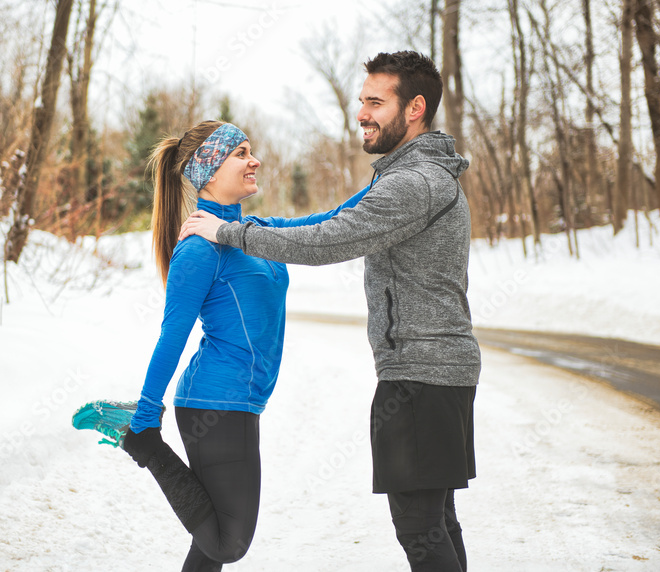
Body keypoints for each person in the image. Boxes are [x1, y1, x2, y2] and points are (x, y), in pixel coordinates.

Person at [180, 51, 481, 572]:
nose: (361, 112)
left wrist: (230, 232)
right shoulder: (419, 177)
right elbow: (332, 219)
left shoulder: (413, 184)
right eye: (361, 100)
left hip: (420, 373)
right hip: (437, 371)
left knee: (419, 526)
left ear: (414, 108)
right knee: (436, 521)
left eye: (374, 102)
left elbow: (328, 240)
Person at [74, 120, 367, 571]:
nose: (256, 161)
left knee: (211, 543)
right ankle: (142, 443)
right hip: (214, 400)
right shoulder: (197, 251)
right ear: (209, 171)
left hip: (241, 402)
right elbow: (172, 336)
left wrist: (389, 177)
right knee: (228, 542)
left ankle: (140, 434)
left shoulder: (257, 231)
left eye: (252, 151)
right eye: (241, 153)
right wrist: (149, 416)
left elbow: (331, 221)